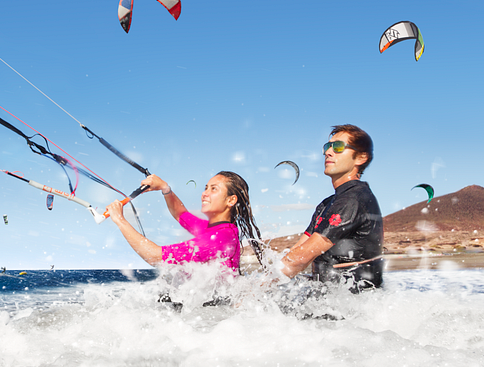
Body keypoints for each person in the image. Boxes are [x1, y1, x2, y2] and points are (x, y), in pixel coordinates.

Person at [281, 124, 383, 291]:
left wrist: (255, 288)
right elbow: (298, 251)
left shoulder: (354, 198)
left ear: (360, 158)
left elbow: (302, 257)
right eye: (327, 147)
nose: (328, 152)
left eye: (338, 147)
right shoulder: (327, 203)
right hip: (328, 301)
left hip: (351, 308)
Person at [106, 172, 264, 273]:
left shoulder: (220, 239)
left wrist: (120, 220)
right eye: (206, 188)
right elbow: (181, 214)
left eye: (213, 189)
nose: (204, 194)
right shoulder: (216, 230)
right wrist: (165, 188)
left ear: (231, 200)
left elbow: (155, 257)